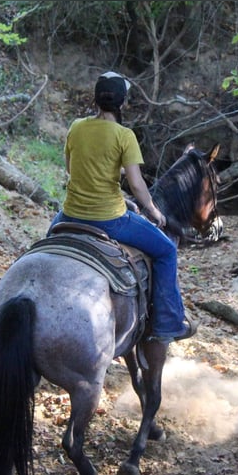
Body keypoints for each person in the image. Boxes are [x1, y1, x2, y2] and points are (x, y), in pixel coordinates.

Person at [49, 71, 196, 342]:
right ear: (123, 104)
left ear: (95, 100)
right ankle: (169, 322)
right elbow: (137, 185)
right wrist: (153, 211)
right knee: (165, 251)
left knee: (46, 245)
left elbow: (71, 169)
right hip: (109, 219)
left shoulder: (76, 126)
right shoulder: (124, 135)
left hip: (70, 213)